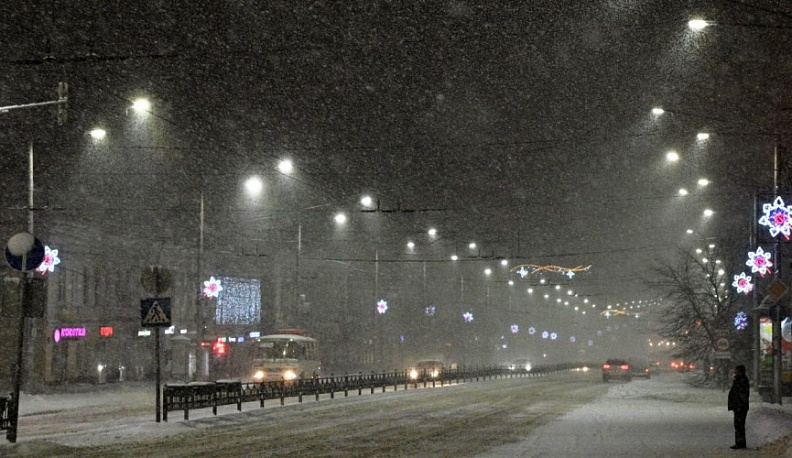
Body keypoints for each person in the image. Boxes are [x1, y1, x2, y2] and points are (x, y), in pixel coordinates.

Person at [727, 364, 750, 449]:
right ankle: (739, 442)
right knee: (738, 425)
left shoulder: (741, 380)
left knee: (739, 425)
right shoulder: (739, 380)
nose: (735, 372)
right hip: (739, 406)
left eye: (736, 371)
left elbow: (741, 394)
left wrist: (738, 404)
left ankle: (740, 443)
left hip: (740, 406)